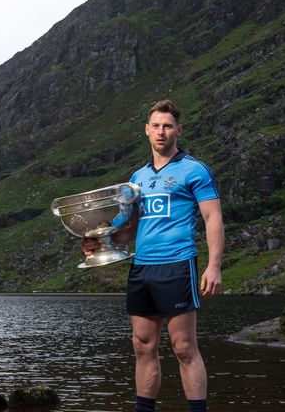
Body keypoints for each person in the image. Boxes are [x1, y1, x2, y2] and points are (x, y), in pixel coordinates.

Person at [82, 99, 224, 412]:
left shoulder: (194, 170)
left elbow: (213, 218)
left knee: (184, 348)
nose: (161, 132)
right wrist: (99, 242)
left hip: (177, 264)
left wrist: (214, 266)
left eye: (168, 126)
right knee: (142, 345)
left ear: (179, 130)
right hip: (142, 268)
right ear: (147, 131)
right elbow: (131, 229)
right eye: (156, 126)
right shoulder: (137, 179)